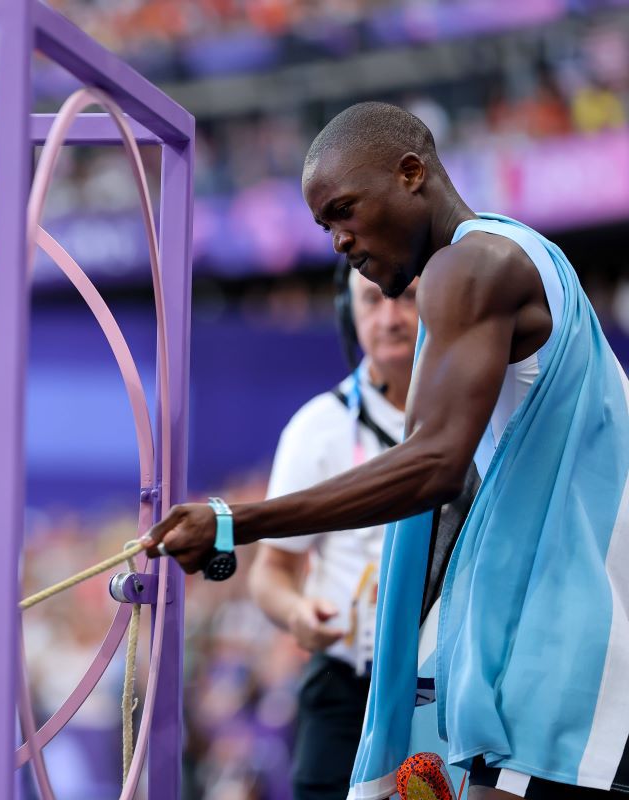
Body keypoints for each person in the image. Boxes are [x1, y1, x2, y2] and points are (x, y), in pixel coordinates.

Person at [143, 101, 629, 800]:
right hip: (557, 645)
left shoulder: (470, 268)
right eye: (324, 225)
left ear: (410, 173)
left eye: (344, 210)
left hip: (556, 656)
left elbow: (434, 467)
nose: (338, 240)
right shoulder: (523, 257)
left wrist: (233, 522)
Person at [248, 263, 415, 800]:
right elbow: (270, 573)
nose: (389, 317)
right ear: (349, 313)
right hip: (349, 692)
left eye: (406, 296)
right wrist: (296, 613)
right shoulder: (318, 426)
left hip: (456, 691)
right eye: (371, 300)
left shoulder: (484, 410)